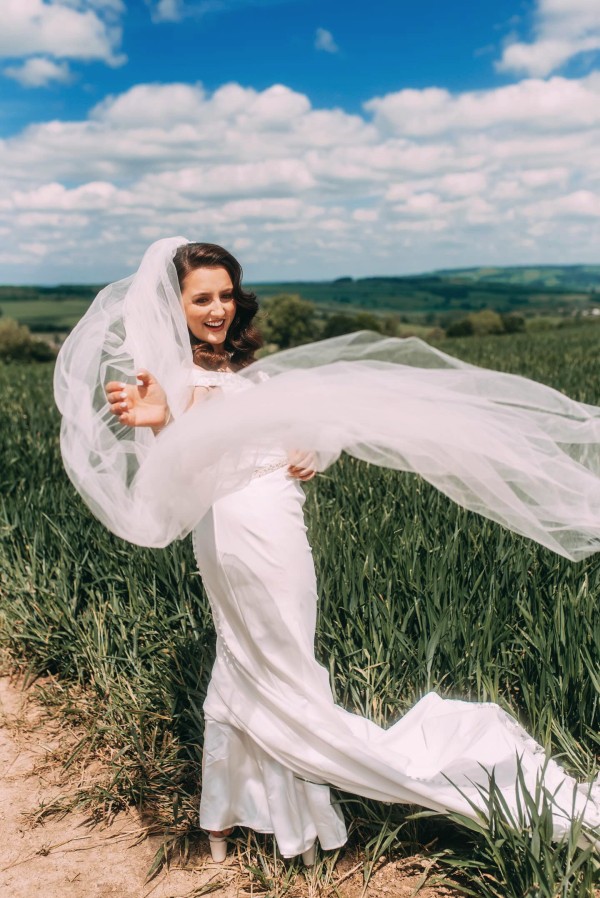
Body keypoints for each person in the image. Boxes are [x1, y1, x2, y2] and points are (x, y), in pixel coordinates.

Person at [54, 237, 600, 866]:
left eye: (226, 294)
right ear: (171, 306)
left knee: (254, 664)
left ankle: (231, 822)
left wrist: (300, 450)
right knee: (277, 667)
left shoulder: (235, 370)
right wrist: (163, 420)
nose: (218, 309)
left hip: (280, 525)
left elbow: (270, 435)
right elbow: (186, 458)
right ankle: (308, 824)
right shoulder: (177, 378)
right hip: (240, 533)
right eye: (201, 297)